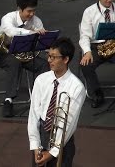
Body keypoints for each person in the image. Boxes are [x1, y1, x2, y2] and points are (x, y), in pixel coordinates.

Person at [0, 0, 49, 117]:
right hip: (2, 53)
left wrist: (46, 41)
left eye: (34, 11)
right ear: (19, 9)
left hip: (23, 52)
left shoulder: (36, 21)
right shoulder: (7, 18)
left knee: (43, 65)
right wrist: (32, 33)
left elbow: (40, 41)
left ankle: (40, 98)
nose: (32, 14)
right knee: (14, 62)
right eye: (29, 11)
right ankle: (8, 101)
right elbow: (11, 32)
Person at [28, 37, 86, 167]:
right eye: (49, 56)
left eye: (54, 57)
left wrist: (52, 153)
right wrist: (35, 145)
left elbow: (69, 124)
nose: (49, 60)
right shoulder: (40, 80)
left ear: (65, 59)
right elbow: (34, 115)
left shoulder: (77, 87)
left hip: (63, 141)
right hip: (42, 135)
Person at [79, 0, 115, 108]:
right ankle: (97, 93)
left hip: (113, 44)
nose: (109, 0)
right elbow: (84, 36)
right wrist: (87, 52)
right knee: (86, 64)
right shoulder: (89, 12)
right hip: (96, 47)